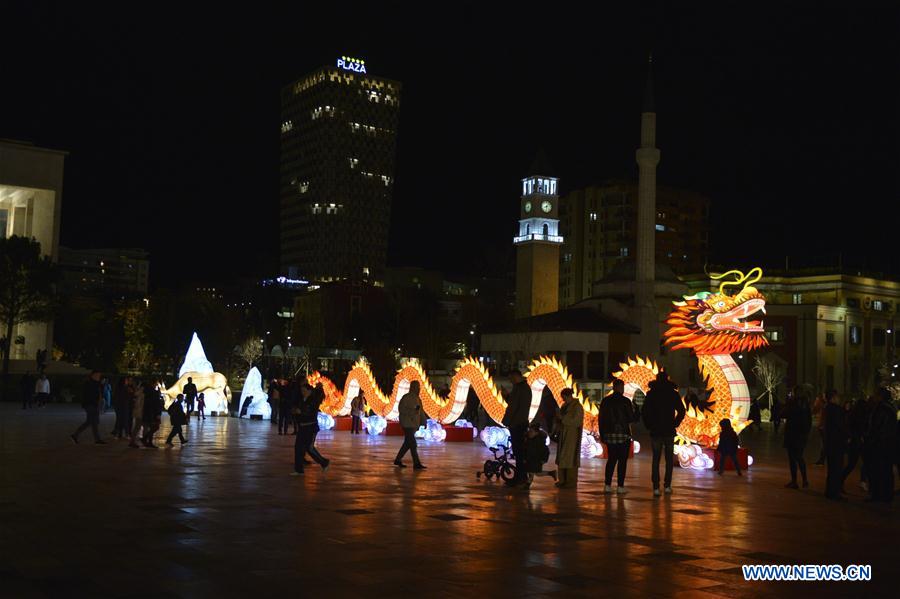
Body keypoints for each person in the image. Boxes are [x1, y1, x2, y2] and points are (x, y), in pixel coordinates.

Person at [641, 370, 686, 496]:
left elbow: (644, 411)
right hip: (669, 430)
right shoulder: (673, 394)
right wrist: (675, 423)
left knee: (656, 459)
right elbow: (682, 411)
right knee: (669, 460)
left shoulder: (651, 394)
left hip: (655, 431)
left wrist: (649, 425)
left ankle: (656, 487)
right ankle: (667, 485)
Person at [599, 378, 636, 494]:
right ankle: (620, 486)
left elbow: (601, 419)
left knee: (611, 460)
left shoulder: (605, 401)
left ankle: (607, 485)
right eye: (622, 387)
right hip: (623, 434)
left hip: (609, 434)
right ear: (620, 388)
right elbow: (631, 418)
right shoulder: (626, 401)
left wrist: (602, 434)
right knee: (622, 461)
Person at [866, 387, 897, 503]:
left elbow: (878, 428)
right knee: (885, 471)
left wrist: (872, 440)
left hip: (880, 445)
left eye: (875, 395)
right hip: (886, 445)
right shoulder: (889, 408)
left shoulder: (882, 409)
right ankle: (885, 495)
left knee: (880, 471)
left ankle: (880, 495)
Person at [501, 370, 531, 485]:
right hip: (518, 422)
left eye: (511, 378)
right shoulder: (521, 388)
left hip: (518, 423)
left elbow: (514, 407)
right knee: (518, 452)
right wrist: (507, 396)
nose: (510, 380)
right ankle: (519, 477)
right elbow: (514, 403)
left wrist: (507, 421)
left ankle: (520, 478)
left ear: (515, 376)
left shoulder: (521, 388)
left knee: (519, 452)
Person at [292, 383, 330, 474]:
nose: (303, 392)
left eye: (304, 390)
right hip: (302, 427)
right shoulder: (302, 400)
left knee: (309, 448)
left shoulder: (313, 400)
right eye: (302, 391)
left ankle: (324, 462)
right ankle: (299, 469)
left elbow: (310, 412)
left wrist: (301, 411)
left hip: (310, 427)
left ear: (309, 391)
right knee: (298, 447)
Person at [782, 385, 812, 489]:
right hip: (801, 435)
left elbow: (784, 413)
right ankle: (805, 480)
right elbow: (809, 420)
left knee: (792, 458)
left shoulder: (792, 403)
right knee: (799, 457)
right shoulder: (805, 404)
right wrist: (806, 433)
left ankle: (794, 481)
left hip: (792, 435)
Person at [554, 387, 583, 488]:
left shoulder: (577, 407)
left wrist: (562, 418)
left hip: (572, 434)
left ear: (568, 396)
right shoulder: (564, 406)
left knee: (570, 457)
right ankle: (562, 480)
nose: (563, 400)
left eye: (564, 397)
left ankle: (570, 482)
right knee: (562, 457)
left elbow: (576, 421)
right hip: (563, 433)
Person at [394, 381, 426, 469]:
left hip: (414, 424)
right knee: (413, 444)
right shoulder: (406, 398)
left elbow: (421, 412)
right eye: (417, 387)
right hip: (407, 424)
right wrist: (412, 412)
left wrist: (424, 422)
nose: (418, 389)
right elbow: (402, 409)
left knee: (407, 444)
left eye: (419, 387)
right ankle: (416, 463)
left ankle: (398, 460)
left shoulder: (418, 399)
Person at [823, 389, 848, 501]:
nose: (839, 399)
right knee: (836, 468)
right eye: (837, 397)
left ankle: (830, 491)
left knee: (832, 468)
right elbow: (841, 426)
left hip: (830, 442)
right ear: (833, 398)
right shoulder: (836, 410)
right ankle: (834, 492)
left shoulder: (827, 408)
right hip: (837, 443)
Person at [842, 396, 870, 491]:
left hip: (855, 442)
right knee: (864, 462)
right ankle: (862, 481)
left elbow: (849, 428)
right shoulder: (862, 416)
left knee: (852, 464)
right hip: (859, 442)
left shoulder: (852, 415)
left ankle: (841, 481)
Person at [70, 371, 105, 444]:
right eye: (97, 375)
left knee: (90, 422)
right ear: (93, 375)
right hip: (90, 405)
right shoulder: (89, 383)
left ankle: (75, 435)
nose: (99, 377)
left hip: (95, 405)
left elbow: (100, 393)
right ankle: (97, 439)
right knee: (93, 421)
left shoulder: (98, 384)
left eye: (99, 375)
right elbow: (90, 395)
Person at [524, 421, 554, 488]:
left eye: (531, 432)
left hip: (536, 460)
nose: (530, 433)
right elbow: (527, 450)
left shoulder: (539, 442)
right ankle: (551, 473)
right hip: (531, 459)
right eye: (529, 431)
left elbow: (546, 451)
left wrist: (544, 459)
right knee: (536, 473)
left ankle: (528, 484)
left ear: (537, 433)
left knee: (532, 472)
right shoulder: (529, 440)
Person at [142, 383, 163, 448]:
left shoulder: (148, 394)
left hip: (150, 413)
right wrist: (157, 414)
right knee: (155, 427)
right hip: (153, 414)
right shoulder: (154, 395)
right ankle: (145, 439)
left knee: (153, 427)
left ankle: (148, 441)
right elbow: (156, 405)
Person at [129, 380, 145, 448]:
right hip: (139, 411)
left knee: (137, 426)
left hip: (138, 411)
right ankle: (132, 441)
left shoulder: (138, 392)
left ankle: (133, 441)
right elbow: (138, 403)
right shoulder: (141, 392)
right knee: (137, 427)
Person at [812, 393, 827, 465]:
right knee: (824, 444)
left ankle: (822, 459)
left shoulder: (824, 406)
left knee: (824, 444)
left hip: (823, 427)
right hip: (822, 427)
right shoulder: (824, 406)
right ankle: (822, 459)